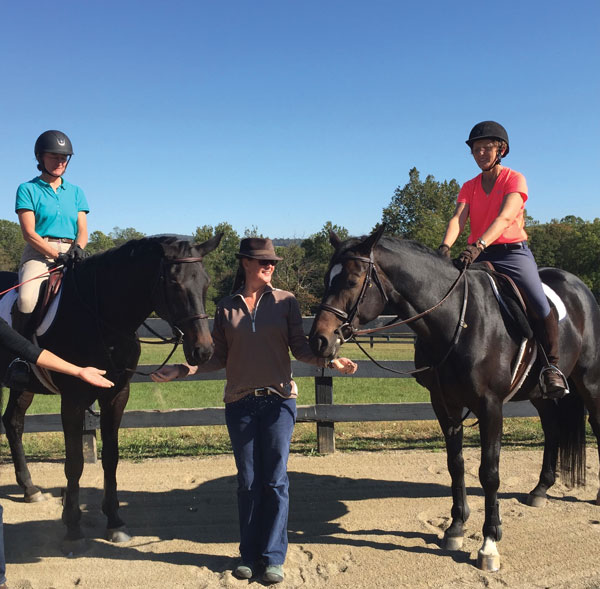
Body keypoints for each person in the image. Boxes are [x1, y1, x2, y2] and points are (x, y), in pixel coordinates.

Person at [151, 237, 358, 584]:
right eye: (263, 261)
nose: (269, 266)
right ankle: (248, 555)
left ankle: (273, 557)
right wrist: (181, 370)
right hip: (240, 404)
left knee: (275, 481)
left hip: (279, 403)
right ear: (245, 262)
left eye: (273, 262)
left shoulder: (286, 302)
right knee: (248, 483)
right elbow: (217, 358)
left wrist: (331, 360)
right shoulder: (225, 307)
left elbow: (301, 349)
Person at [439, 120, 567, 398]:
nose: (481, 154)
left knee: (537, 300)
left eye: (486, 148)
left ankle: (552, 367)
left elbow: (505, 217)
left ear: (502, 150)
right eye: (476, 150)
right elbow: (458, 219)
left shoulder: (514, 179)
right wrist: (444, 248)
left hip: (512, 254)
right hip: (479, 254)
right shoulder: (469, 186)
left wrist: (478, 245)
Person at [0, 316, 114, 589]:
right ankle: (17, 366)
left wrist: (77, 371)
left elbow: (34, 352)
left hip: (63, 270)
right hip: (34, 272)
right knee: (26, 299)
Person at [14, 130, 89, 339]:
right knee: (26, 300)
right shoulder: (27, 189)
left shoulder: (76, 192)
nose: (60, 162)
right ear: (40, 157)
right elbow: (29, 233)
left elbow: (82, 230)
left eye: (63, 157)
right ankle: (21, 356)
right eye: (54, 156)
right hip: (40, 253)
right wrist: (56, 256)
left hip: (73, 252)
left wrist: (78, 249)